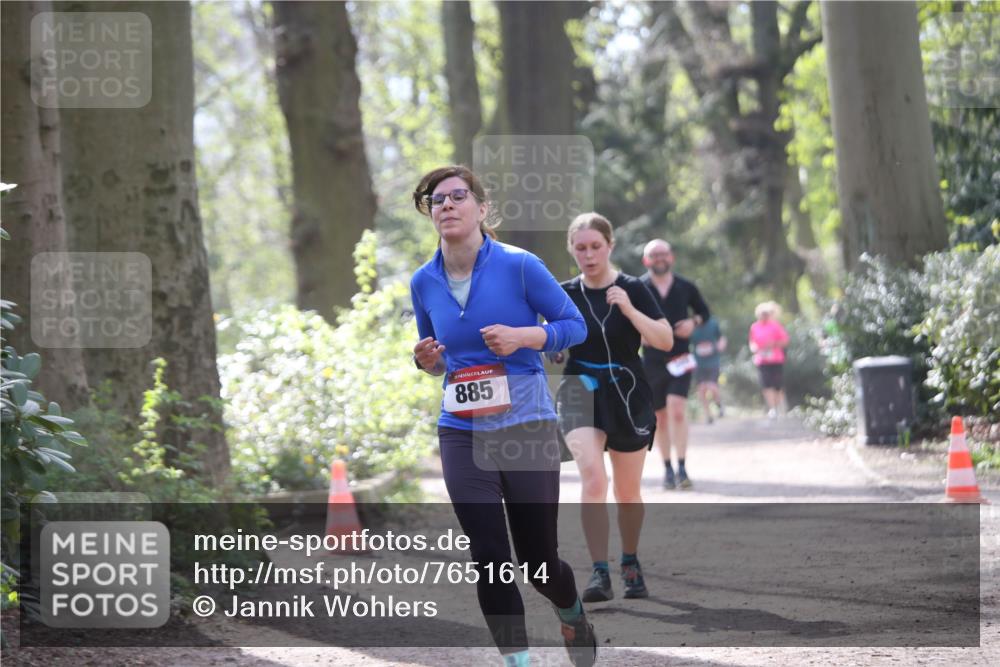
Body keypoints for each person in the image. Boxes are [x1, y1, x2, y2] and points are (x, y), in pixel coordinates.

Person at [409, 166, 597, 667]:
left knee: (538, 564)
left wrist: (525, 337)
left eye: (457, 196)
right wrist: (430, 362)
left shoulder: (520, 266)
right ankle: (519, 662)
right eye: (436, 200)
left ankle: (571, 609)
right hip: (461, 428)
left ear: (481, 208)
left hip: (526, 423)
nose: (446, 205)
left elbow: (573, 325)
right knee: (490, 560)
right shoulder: (423, 281)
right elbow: (443, 358)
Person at [553, 213, 673, 603]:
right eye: (580, 248)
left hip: (627, 389)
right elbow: (548, 334)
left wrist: (630, 311)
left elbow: (665, 339)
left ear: (610, 246)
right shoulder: (564, 292)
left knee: (626, 491)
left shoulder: (633, 287)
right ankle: (599, 572)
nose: (588, 255)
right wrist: (552, 344)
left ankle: (629, 561)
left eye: (595, 247)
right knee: (592, 478)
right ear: (571, 248)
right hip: (580, 386)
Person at [640, 240, 711, 490]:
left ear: (672, 257)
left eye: (664, 254)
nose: (660, 258)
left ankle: (682, 467)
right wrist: (640, 334)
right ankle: (668, 469)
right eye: (654, 255)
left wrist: (694, 322)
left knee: (677, 408)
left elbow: (704, 312)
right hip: (652, 361)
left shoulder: (686, 286)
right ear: (646, 260)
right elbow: (625, 318)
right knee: (659, 416)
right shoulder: (638, 287)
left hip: (681, 357)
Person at [749, 301, 789, 420]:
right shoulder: (754, 327)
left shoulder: (775, 326)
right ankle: (772, 409)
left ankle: (780, 406)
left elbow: (785, 341)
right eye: (762, 314)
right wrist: (754, 348)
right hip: (762, 360)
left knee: (777, 385)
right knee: (766, 384)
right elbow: (752, 342)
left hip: (776, 359)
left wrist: (774, 344)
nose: (764, 316)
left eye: (766, 313)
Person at [690, 316, 726, 424]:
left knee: (712, 386)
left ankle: (719, 405)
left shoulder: (713, 324)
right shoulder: (692, 326)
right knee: (701, 389)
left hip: (712, 362)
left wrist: (720, 347)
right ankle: (708, 415)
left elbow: (721, 338)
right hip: (699, 363)